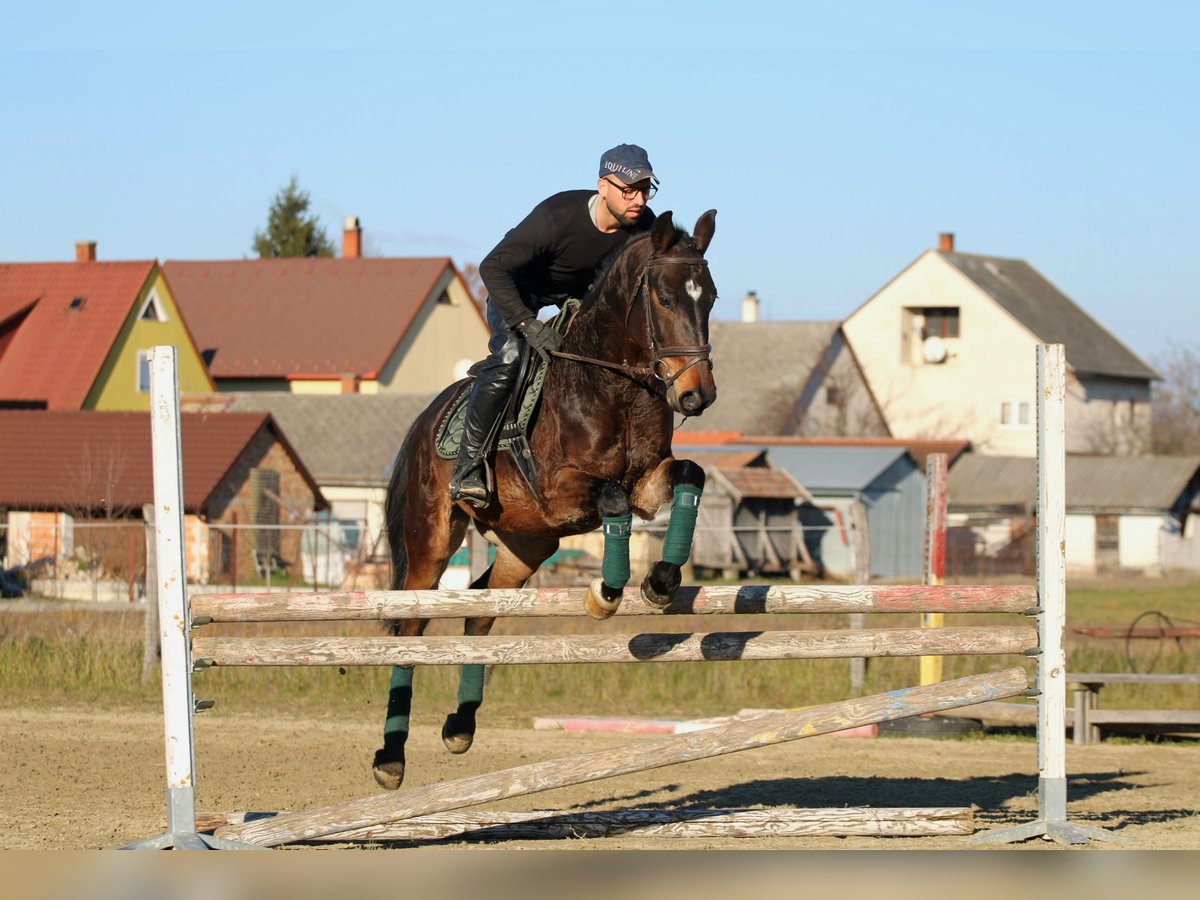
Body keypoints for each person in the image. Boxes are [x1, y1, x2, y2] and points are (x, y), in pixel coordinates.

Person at [449, 144, 660, 508]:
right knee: (514, 355)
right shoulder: (556, 216)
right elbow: (492, 268)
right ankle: (468, 466)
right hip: (517, 292)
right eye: (629, 190)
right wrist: (527, 324)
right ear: (602, 186)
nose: (638, 199)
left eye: (645, 189)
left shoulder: (645, 226)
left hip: (577, 300)